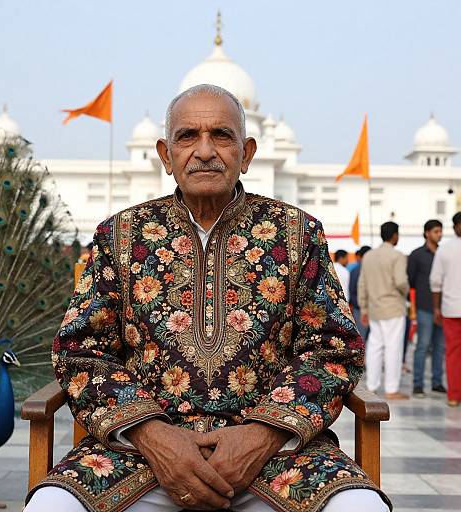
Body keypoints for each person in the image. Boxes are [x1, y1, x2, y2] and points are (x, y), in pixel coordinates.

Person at [24, 85, 390, 512]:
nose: (203, 151)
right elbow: (81, 352)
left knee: (361, 508)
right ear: (165, 155)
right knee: (51, 506)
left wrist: (261, 435)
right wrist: (153, 435)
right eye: (186, 136)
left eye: (220, 134)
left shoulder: (297, 233)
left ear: (246, 153)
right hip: (138, 456)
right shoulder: (120, 235)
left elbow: (333, 351)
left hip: (277, 457)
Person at [358, 222, 410, 400]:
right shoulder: (397, 256)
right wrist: (406, 293)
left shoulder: (369, 256)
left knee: (375, 347)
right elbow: (401, 282)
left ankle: (372, 385)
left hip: (374, 308)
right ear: (394, 235)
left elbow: (362, 284)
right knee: (393, 347)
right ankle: (391, 388)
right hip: (393, 308)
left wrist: (364, 307)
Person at [407, 220, 446, 398]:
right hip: (424, 306)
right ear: (427, 233)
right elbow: (411, 280)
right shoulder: (416, 255)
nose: (439, 234)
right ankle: (418, 384)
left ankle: (437, 382)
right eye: (436, 231)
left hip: (444, 307)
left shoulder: (444, 254)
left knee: (439, 346)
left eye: (440, 231)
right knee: (422, 346)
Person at [430, 212, 461, 407]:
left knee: (452, 353)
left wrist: (436, 308)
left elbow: (435, 282)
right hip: (450, 309)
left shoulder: (445, 249)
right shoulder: (445, 249)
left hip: (451, 308)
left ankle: (453, 395)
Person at [349, 245, 371, 341]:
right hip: (361, 309)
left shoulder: (355, 269)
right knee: (364, 337)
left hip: (361, 308)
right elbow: (353, 291)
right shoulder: (358, 270)